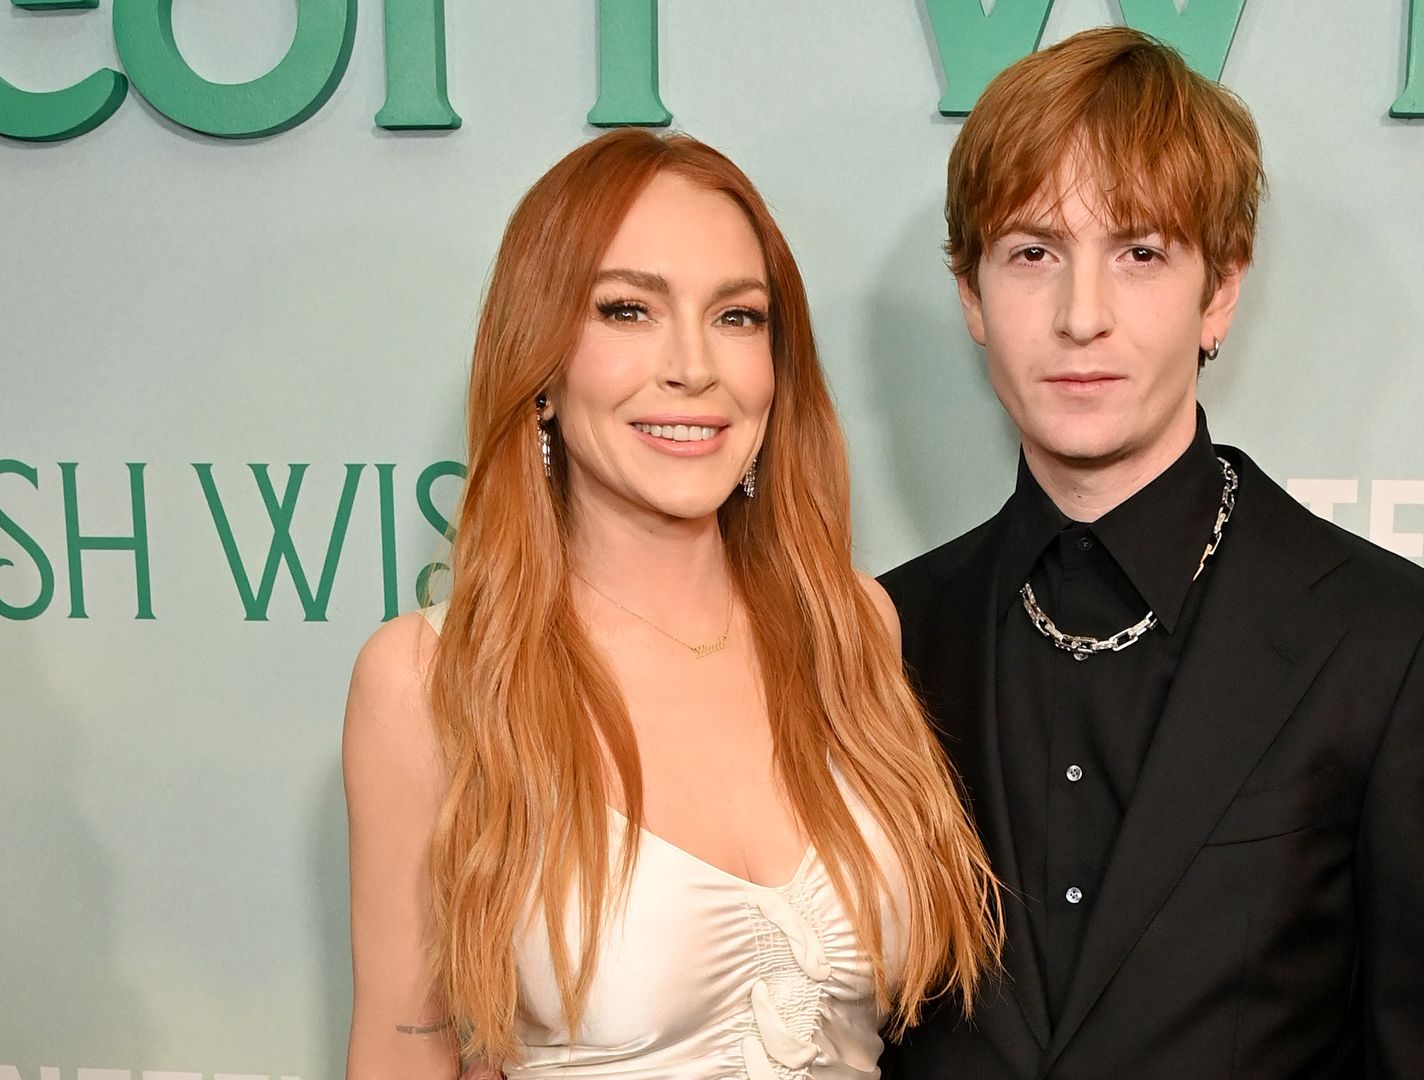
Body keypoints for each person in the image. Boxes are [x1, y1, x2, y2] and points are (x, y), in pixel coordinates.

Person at [880, 28, 1424, 1079]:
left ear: (1219, 293)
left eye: (1140, 253)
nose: (1079, 316)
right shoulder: (878, 639)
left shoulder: (1396, 649)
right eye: (1032, 252)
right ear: (972, 297)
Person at [341, 129, 998, 1080]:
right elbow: (405, 1058)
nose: (693, 365)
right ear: (542, 368)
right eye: (627, 310)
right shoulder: (427, 680)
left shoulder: (851, 625)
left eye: (737, 317)